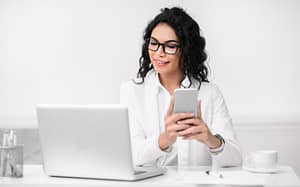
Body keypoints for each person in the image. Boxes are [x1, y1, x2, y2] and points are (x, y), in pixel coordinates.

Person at [120, 7, 242, 167]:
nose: (158, 53)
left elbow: (235, 160)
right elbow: (130, 156)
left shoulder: (209, 93)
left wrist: (209, 138)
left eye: (170, 46)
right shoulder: (132, 91)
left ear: (186, 50)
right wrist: (165, 139)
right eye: (154, 43)